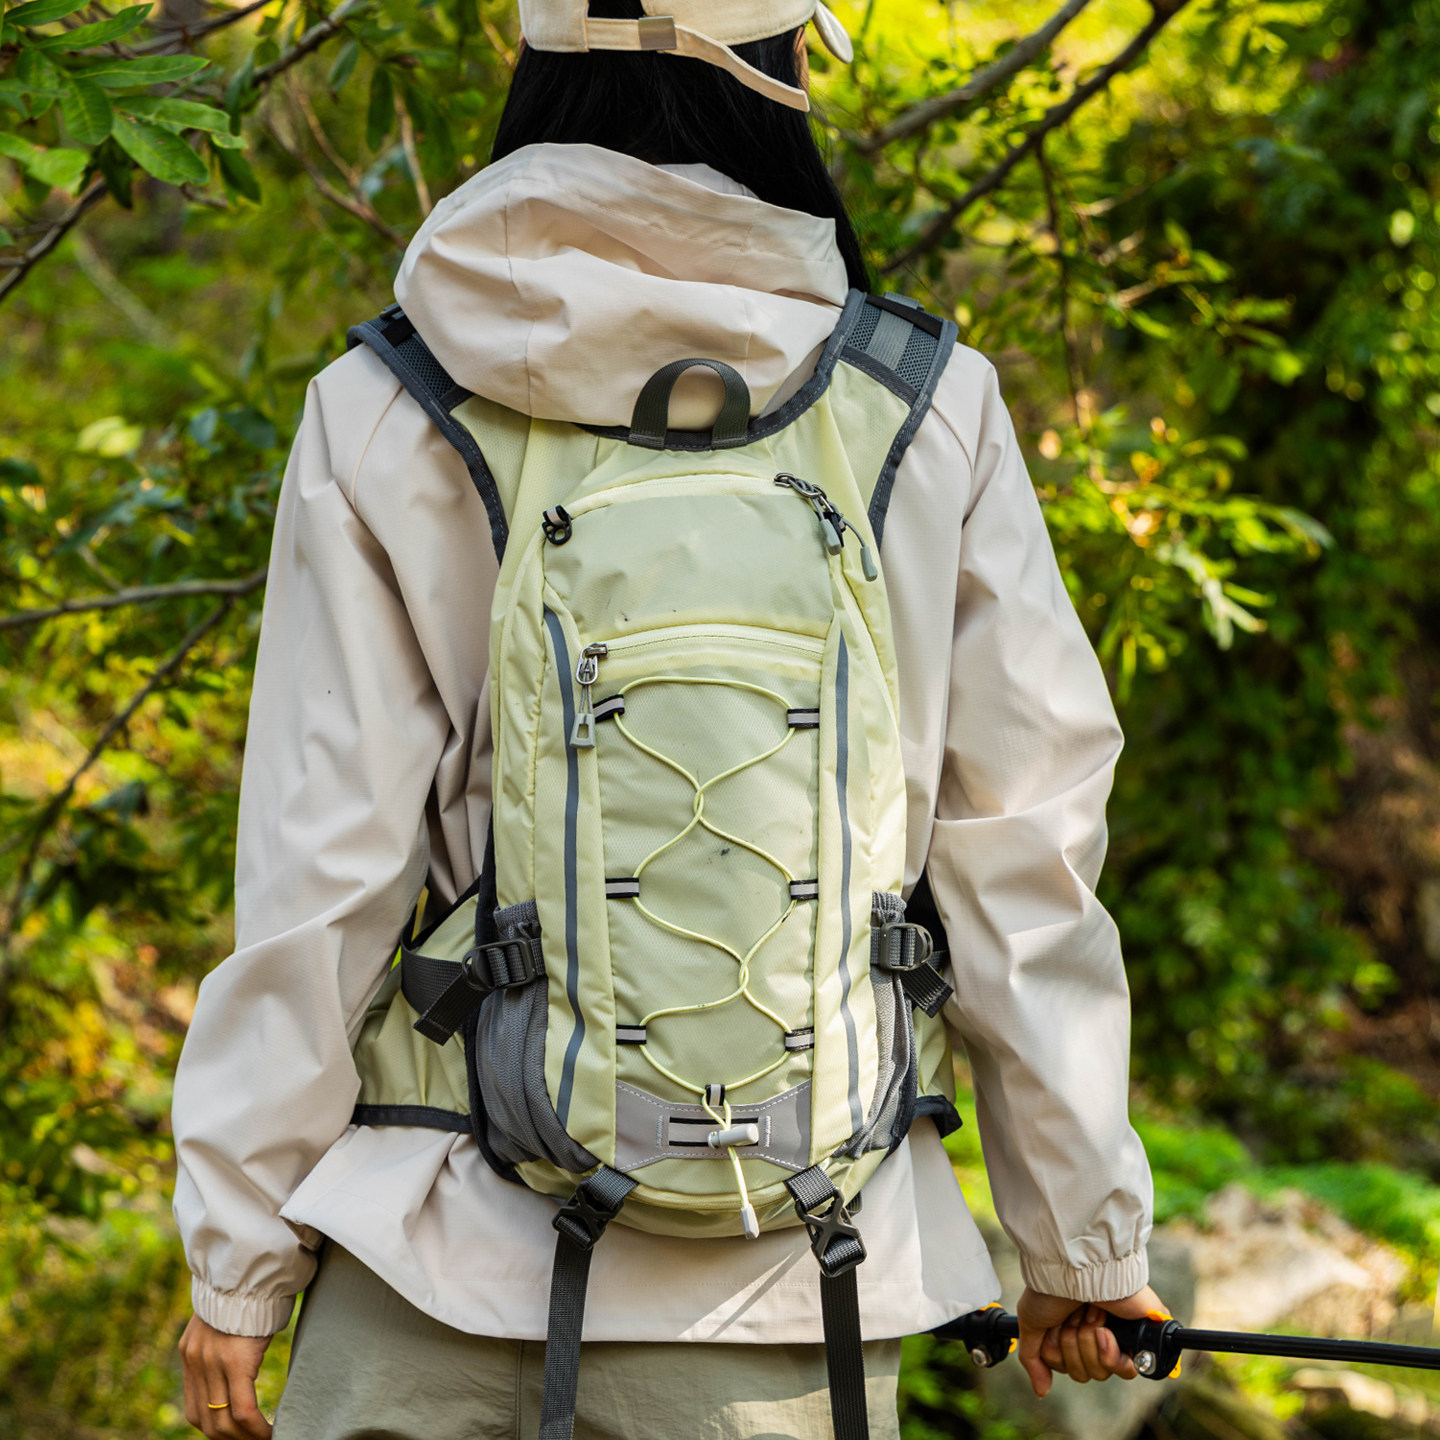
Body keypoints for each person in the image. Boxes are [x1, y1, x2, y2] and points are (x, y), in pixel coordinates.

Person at [171, 2, 1166, 1437]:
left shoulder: (387, 402)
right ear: (780, 72)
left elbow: (319, 876)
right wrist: (1080, 1247)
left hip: (429, 1267)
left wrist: (241, 1255)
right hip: (790, 1285)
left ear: (539, 63)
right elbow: (1023, 866)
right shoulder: (923, 406)